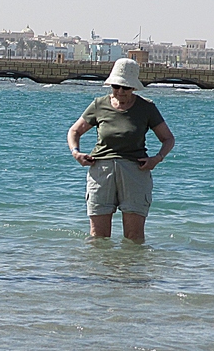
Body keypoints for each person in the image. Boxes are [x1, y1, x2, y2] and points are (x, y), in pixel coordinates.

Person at [67, 57, 174, 243]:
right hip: (101, 171)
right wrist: (76, 153)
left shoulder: (146, 107)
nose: (120, 91)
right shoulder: (99, 104)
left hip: (135, 172)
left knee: (134, 238)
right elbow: (75, 131)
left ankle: (131, 271)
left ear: (133, 87)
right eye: (116, 86)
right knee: (98, 238)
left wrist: (156, 159)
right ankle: (101, 272)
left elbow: (168, 139)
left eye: (125, 87)